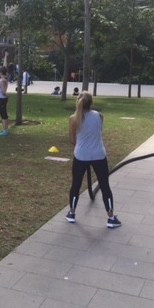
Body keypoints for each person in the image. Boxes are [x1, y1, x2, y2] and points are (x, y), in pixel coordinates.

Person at [66, 91, 121, 228]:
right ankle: (111, 217)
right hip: (98, 155)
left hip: (81, 156)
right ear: (91, 103)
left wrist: (83, 147)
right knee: (104, 186)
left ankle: (72, 213)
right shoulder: (99, 116)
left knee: (76, 185)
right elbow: (98, 133)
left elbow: (73, 140)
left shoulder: (73, 119)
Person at [0, 65, 10, 136]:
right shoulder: (2, 79)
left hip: (2, 99)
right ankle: (4, 128)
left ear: (1, 72)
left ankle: (5, 130)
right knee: (3, 114)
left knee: (3, 114)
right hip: (1, 98)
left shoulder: (3, 80)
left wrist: (7, 96)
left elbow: (3, 91)